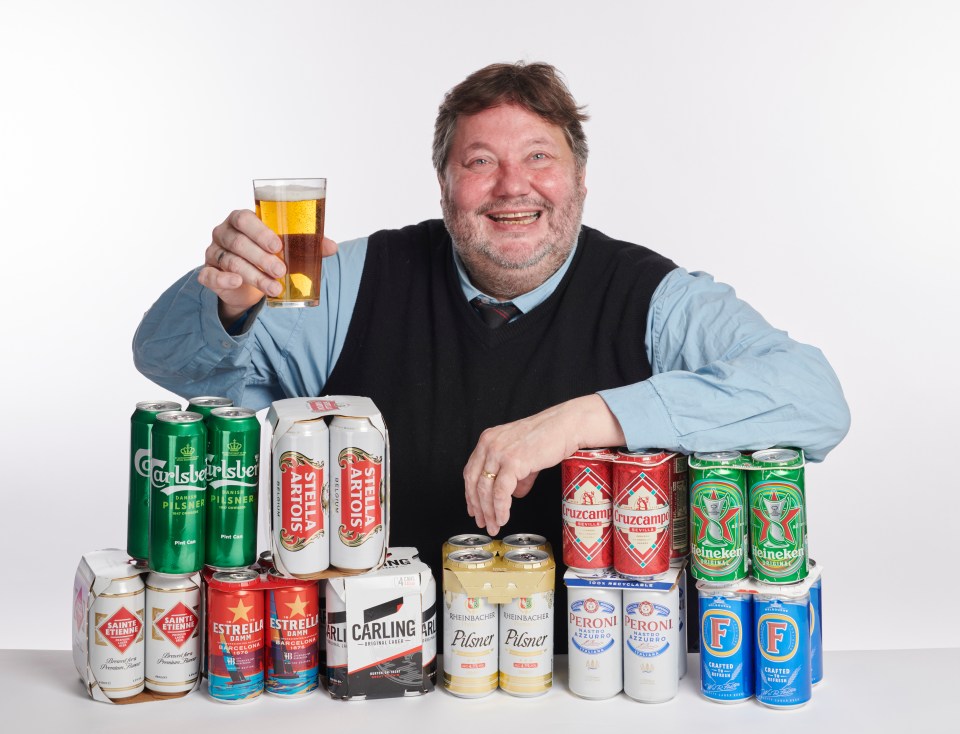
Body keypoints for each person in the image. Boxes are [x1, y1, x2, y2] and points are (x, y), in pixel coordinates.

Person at [134, 61, 849, 651]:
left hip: (613, 683)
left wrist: (580, 420)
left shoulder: (657, 297)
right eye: (481, 162)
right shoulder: (350, 278)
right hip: (376, 677)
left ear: (580, 181)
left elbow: (815, 399)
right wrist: (229, 302)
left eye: (539, 157)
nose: (513, 186)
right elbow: (169, 360)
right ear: (445, 187)